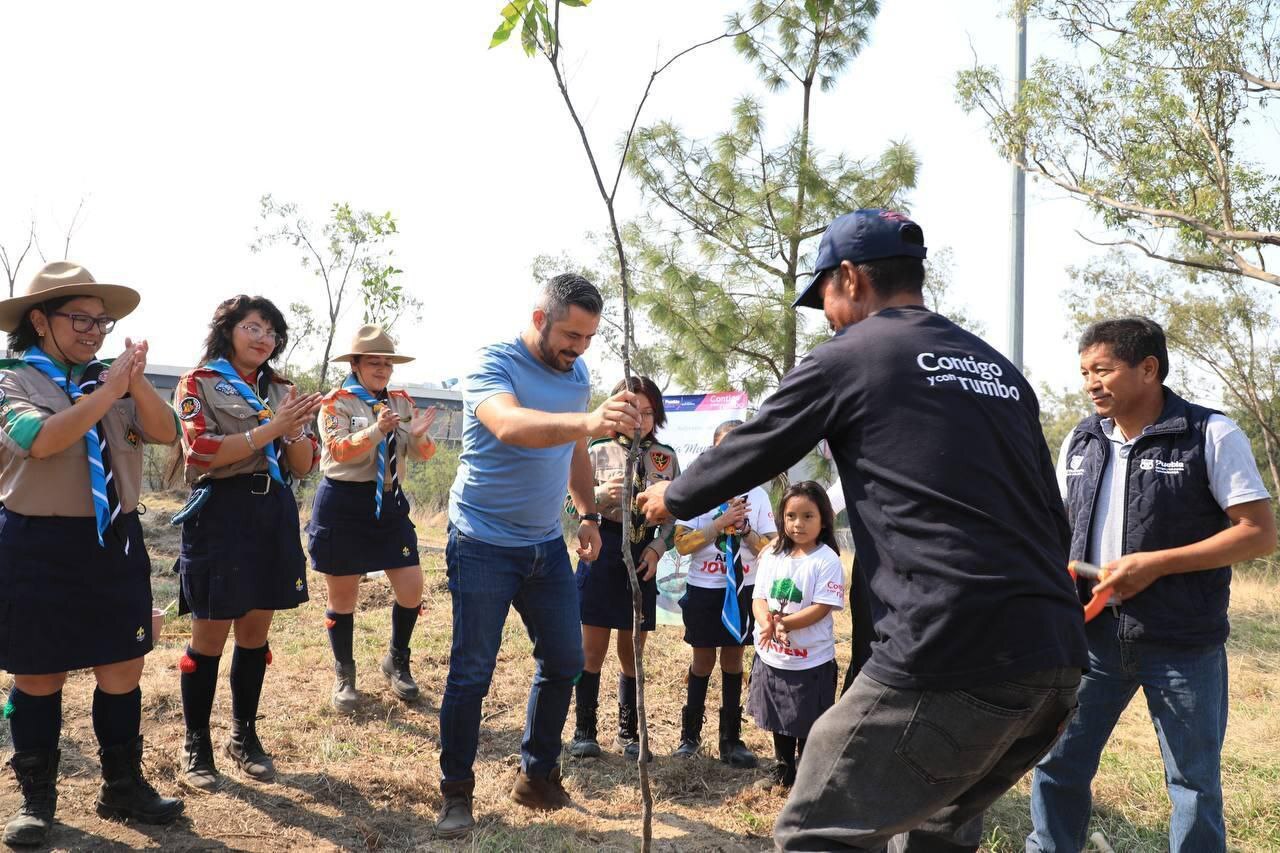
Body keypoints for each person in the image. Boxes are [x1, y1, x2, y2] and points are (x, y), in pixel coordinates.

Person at [639, 209, 1088, 851]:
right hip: (1054, 655)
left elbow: (756, 446)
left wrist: (672, 496)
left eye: (822, 293)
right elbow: (1054, 514)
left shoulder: (853, 355)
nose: (823, 312)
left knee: (816, 830)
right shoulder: (999, 371)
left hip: (949, 645)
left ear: (849, 278)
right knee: (935, 828)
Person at [1027, 318, 1275, 853]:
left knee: (1193, 784)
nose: (1091, 382)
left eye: (1103, 369)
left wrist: (1156, 564)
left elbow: (1258, 535)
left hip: (1182, 642)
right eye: (1084, 372)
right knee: (1057, 765)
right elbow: (1057, 529)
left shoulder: (1210, 433)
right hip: (1089, 640)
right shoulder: (1081, 438)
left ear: (1148, 369)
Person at [434, 273, 641, 839]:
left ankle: (537, 776)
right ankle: (456, 794)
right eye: (571, 334)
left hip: (545, 544)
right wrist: (591, 421)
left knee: (566, 660)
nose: (578, 348)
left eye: (589, 337)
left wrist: (588, 514)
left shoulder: (576, 375)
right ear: (538, 319)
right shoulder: (492, 364)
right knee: (471, 673)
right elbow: (510, 426)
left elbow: (573, 448)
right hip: (481, 541)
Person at [0, 262, 184, 845]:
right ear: (39, 320)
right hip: (38, 543)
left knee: (122, 667)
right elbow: (40, 439)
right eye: (81, 319)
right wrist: (108, 392)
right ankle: (37, 799)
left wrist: (133, 385)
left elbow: (165, 431)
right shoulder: (12, 379)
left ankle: (122, 786)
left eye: (102, 322)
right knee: (38, 674)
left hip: (115, 540)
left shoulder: (113, 378)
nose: (94, 331)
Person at [172, 295, 323, 791]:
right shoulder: (200, 382)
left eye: (271, 332)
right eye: (253, 327)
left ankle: (244, 736)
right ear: (229, 330)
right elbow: (201, 451)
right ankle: (197, 744)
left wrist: (296, 430)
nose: (263, 339)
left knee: (256, 630)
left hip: (271, 512)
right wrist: (270, 430)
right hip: (221, 512)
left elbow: (303, 466)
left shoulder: (283, 390)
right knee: (210, 634)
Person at [308, 325, 439, 713]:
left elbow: (424, 453)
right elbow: (338, 450)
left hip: (390, 500)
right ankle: (345, 674)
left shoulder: (400, 400)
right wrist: (375, 430)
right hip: (345, 502)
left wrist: (417, 435)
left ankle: (396, 659)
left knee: (412, 586)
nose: (382, 369)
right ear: (356, 364)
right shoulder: (338, 402)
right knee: (344, 596)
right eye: (374, 362)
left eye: (387, 363)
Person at [568, 375, 679, 761]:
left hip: (642, 553)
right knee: (591, 648)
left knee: (632, 648)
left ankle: (629, 733)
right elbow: (570, 506)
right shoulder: (594, 450)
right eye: (634, 410)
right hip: (601, 547)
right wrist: (597, 497)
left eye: (649, 412)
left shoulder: (665, 456)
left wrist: (659, 547)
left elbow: (673, 515)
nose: (641, 419)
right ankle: (584, 730)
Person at [670, 419, 776, 766]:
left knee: (733, 659)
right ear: (714, 450)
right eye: (723, 446)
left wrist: (745, 529)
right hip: (705, 588)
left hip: (744, 589)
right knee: (703, 660)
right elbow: (682, 544)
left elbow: (771, 548)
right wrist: (718, 523)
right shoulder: (698, 490)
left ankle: (731, 739)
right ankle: (690, 738)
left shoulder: (757, 496)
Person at [749, 481, 845, 791]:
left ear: (823, 520)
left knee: (808, 717)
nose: (798, 524)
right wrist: (766, 622)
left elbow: (823, 607)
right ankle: (783, 766)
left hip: (810, 658)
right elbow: (759, 597)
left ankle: (807, 772)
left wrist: (786, 625)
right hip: (773, 654)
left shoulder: (826, 559)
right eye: (791, 516)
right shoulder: (772, 556)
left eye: (808, 516)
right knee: (779, 713)